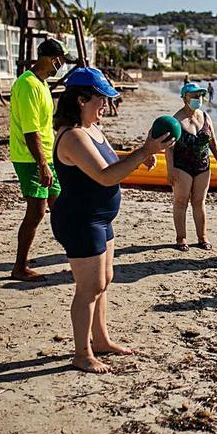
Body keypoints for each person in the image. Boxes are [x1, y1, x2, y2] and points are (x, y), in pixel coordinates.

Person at [51, 67, 174, 373]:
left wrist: (138, 156)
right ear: (81, 100)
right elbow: (106, 177)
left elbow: (111, 163)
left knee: (104, 282)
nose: (106, 105)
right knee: (89, 287)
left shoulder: (93, 129)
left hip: (101, 219)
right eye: (100, 99)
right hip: (80, 220)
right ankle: (81, 353)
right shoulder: (73, 136)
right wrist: (145, 149)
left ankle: (101, 340)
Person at [9, 39, 76, 282]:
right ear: (49, 57)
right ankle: (19, 266)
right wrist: (42, 164)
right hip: (31, 159)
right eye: (59, 60)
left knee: (61, 209)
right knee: (36, 212)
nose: (61, 65)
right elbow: (30, 131)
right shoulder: (27, 85)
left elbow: (47, 124)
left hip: (47, 156)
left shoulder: (43, 85)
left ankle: (77, 259)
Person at [167, 83, 217, 251]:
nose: (197, 98)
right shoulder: (176, 120)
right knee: (181, 201)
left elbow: (212, 141)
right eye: (193, 95)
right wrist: (170, 170)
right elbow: (169, 148)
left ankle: (202, 237)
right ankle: (181, 238)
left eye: (199, 95)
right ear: (185, 97)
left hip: (203, 166)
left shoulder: (205, 117)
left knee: (199, 202)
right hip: (182, 166)